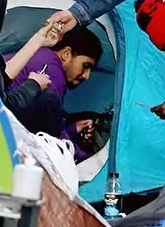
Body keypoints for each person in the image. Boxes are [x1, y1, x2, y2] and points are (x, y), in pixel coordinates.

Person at [6, 26, 104, 159]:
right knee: (50, 101)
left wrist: (73, 129)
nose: (87, 76)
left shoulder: (43, 56)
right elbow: (55, 140)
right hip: (2, 125)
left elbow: (48, 124)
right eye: (85, 66)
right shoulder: (52, 70)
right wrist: (88, 159)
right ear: (66, 54)